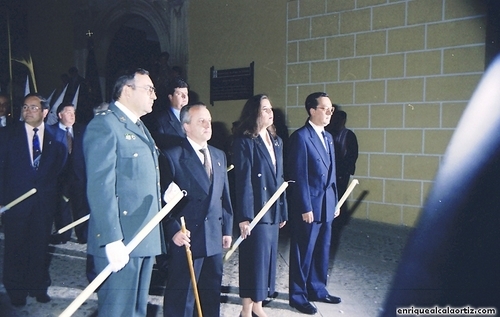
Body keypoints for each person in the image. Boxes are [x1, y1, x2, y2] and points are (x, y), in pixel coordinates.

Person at [83, 68, 163, 316]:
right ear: (127, 90)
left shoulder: (138, 126)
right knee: (117, 311)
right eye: (149, 89)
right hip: (122, 237)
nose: (155, 96)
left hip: (143, 234)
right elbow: (100, 186)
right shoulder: (105, 125)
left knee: (136, 311)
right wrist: (111, 238)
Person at [161, 103, 233, 317]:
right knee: (182, 297)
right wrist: (173, 230)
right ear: (186, 126)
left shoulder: (218, 155)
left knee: (210, 296)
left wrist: (227, 228)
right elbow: (161, 201)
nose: (207, 125)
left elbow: (224, 197)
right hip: (187, 238)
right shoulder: (172, 156)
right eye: (201, 121)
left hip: (213, 237)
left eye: (209, 120)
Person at [0, 93, 67, 306]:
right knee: (15, 248)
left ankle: (38, 285)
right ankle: (16, 290)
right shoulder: (8, 135)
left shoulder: (56, 136)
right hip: (15, 202)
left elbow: (60, 166)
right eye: (25, 107)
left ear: (45, 112)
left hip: (43, 204)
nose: (28, 111)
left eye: (34, 108)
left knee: (39, 247)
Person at [232, 94, 288, 317]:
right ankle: (247, 309)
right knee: (253, 260)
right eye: (265, 109)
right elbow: (243, 180)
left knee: (266, 260)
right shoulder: (245, 141)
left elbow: (280, 177)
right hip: (256, 211)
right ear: (254, 112)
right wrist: (244, 217)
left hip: (273, 211)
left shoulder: (277, 141)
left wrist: (282, 209)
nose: (270, 113)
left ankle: (257, 306)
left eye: (271, 109)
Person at [287, 92, 341, 315]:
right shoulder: (301, 137)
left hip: (327, 204)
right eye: (325, 108)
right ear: (311, 110)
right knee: (303, 252)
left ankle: (317, 289)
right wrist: (305, 207)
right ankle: (298, 296)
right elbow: (297, 175)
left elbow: (333, 173)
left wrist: (335, 202)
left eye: (331, 109)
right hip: (309, 206)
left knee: (322, 249)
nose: (329, 113)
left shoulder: (328, 137)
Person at [49, 102, 90, 245]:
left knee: (81, 206)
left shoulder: (82, 130)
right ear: (60, 115)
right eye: (68, 112)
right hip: (59, 177)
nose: (72, 116)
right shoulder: (50, 131)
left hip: (79, 176)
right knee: (61, 207)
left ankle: (83, 235)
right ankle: (63, 235)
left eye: (73, 112)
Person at [326, 109, 358, 245]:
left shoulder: (348, 135)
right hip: (331, 172)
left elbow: (352, 154)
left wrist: (345, 170)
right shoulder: (330, 134)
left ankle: (338, 220)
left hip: (341, 173)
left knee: (340, 196)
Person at [146, 76, 189, 151]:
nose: (184, 97)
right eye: (179, 94)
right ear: (170, 97)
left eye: (186, 93)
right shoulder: (160, 121)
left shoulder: (193, 116)